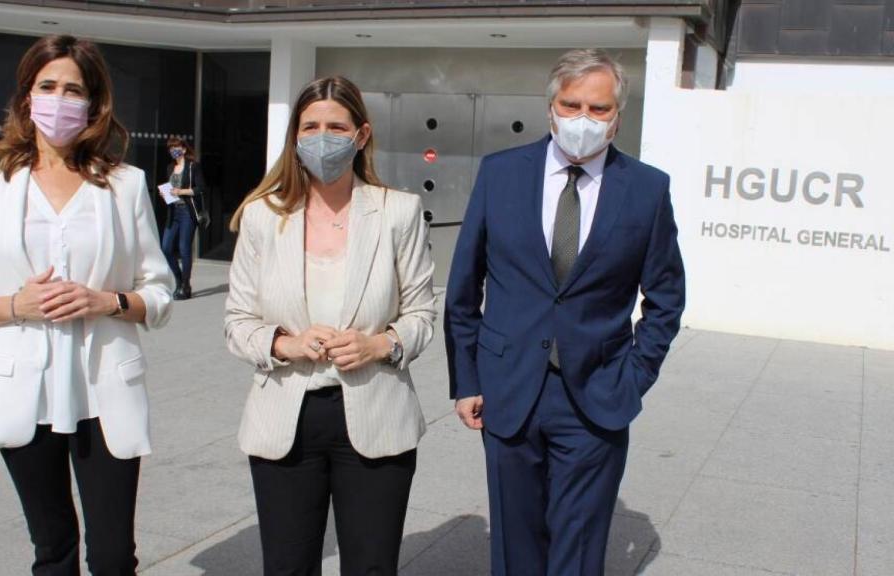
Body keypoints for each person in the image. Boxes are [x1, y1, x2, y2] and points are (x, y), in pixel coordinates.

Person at [0, 35, 173, 576]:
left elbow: (158, 293)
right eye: (48, 86)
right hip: (22, 390)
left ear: (94, 103)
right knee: (53, 550)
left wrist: (105, 300)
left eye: (74, 89)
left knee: (113, 556)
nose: (60, 100)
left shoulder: (124, 184)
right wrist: (17, 305)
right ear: (26, 97)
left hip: (104, 390)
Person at [445, 49, 686, 576]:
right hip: (508, 389)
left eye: (597, 109)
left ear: (617, 116)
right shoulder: (500, 173)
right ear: (550, 107)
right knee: (514, 543)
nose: (582, 119)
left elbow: (666, 297)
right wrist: (467, 379)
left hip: (597, 394)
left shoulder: (647, 189)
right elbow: (464, 287)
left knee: (579, 548)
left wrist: (634, 376)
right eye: (570, 104)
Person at [224, 75, 436, 576]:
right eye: (311, 126)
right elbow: (237, 321)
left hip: (375, 412)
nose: (323, 137)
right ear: (295, 136)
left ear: (361, 135)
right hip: (286, 417)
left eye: (336, 127)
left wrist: (378, 343)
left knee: (371, 565)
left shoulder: (397, 211)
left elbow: (423, 315)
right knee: (288, 564)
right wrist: (285, 343)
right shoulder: (262, 216)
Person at [160, 136, 208, 300]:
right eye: (170, 148)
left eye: (176, 147)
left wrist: (180, 192)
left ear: (184, 149)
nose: (173, 150)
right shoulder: (169, 168)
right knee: (166, 247)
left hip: (188, 211)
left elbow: (201, 188)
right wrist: (165, 194)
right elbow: (170, 193)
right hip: (173, 212)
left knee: (184, 248)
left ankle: (185, 286)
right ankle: (179, 280)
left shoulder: (193, 166)